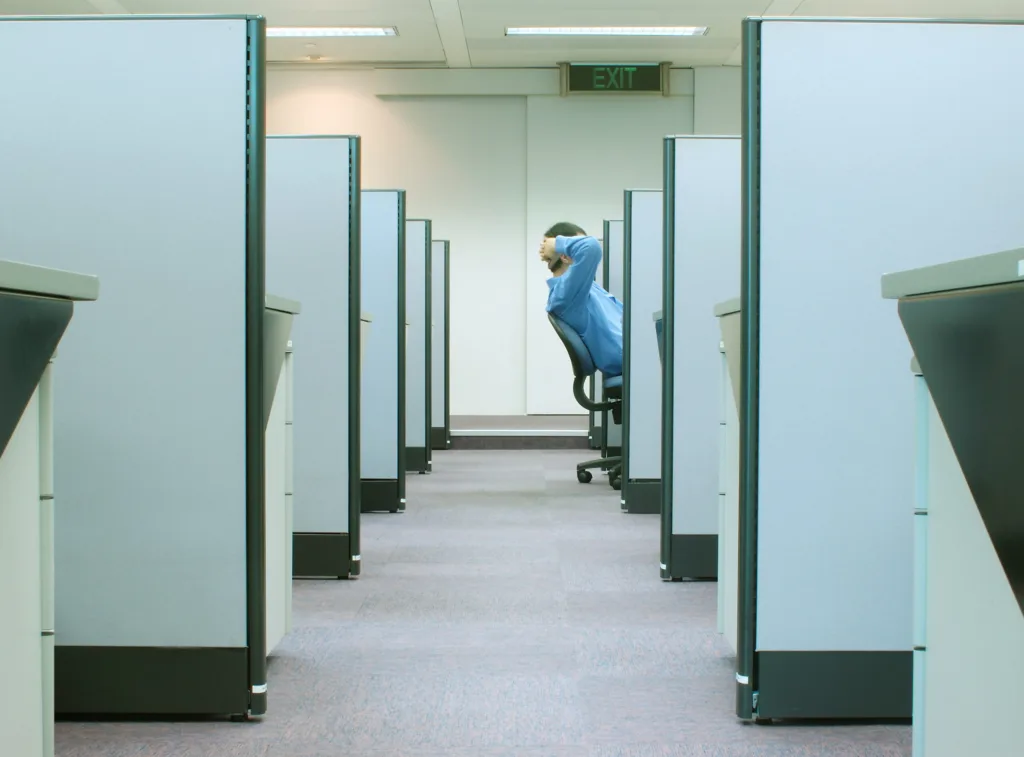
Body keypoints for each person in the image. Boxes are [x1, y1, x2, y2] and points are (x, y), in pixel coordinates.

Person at [538, 222, 623, 377]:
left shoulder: (586, 288)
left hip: (636, 356)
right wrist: (558, 244)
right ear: (564, 255)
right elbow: (591, 248)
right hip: (628, 360)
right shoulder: (566, 295)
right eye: (573, 245)